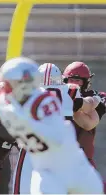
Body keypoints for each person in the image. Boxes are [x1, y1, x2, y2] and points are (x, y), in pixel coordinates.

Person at [0, 57, 104, 194]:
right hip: (65, 160)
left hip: (46, 163)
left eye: (10, 84)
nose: (7, 89)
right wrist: (96, 98)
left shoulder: (9, 107)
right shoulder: (65, 92)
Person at [63, 61, 106, 192]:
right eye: (71, 80)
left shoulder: (97, 97)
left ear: (86, 82)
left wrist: (71, 105)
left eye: (78, 80)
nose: (74, 84)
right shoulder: (58, 96)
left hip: (84, 161)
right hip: (60, 161)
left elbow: (88, 124)